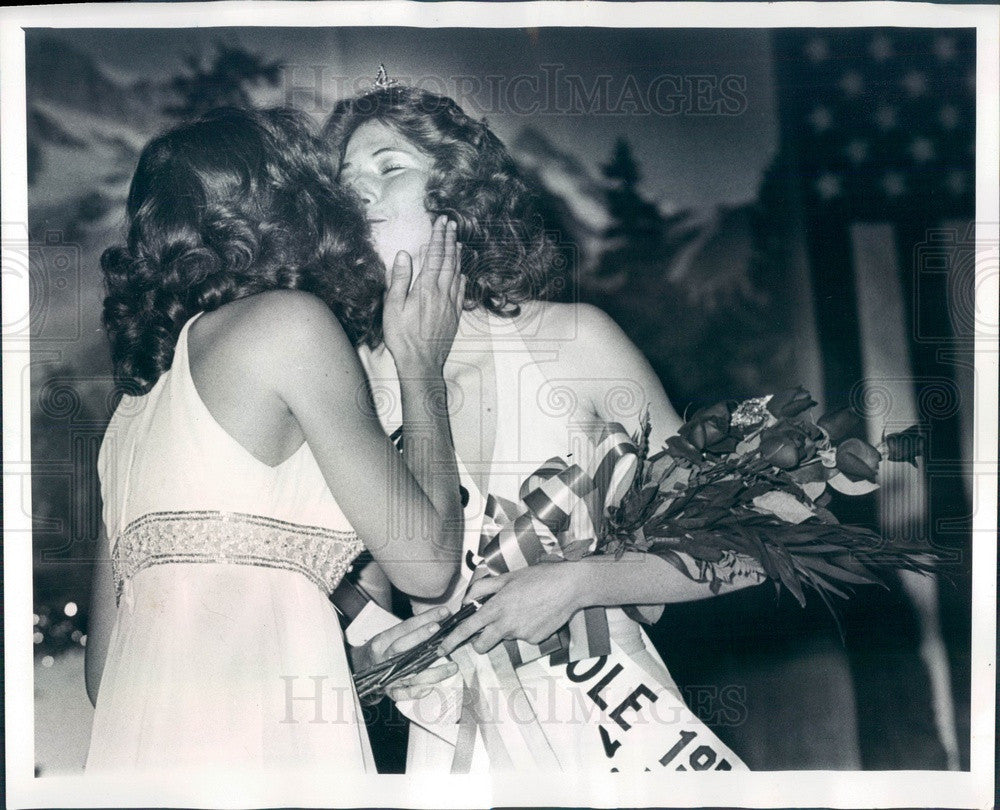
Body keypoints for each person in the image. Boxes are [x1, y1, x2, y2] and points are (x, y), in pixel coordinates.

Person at [323, 85, 766, 772]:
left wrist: (580, 583)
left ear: (460, 194)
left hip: (613, 733)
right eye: (348, 186)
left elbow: (748, 549)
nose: (364, 197)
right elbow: (350, 600)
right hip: (452, 754)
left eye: (390, 168)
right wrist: (372, 655)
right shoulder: (347, 383)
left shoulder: (574, 342)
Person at [84, 106, 466, 776]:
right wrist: (420, 367)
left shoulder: (131, 412)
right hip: (264, 755)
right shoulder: (289, 324)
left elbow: (102, 675)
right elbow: (427, 564)